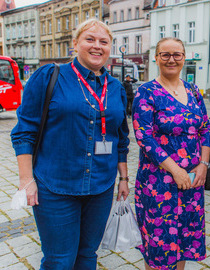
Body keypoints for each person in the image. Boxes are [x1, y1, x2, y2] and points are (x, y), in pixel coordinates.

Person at [10, 19, 130, 269]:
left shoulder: (116, 87)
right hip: (55, 186)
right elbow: (24, 131)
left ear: (110, 48)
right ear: (75, 44)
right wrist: (26, 181)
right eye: (90, 39)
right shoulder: (49, 76)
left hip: (101, 187)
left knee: (88, 255)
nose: (97, 46)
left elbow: (121, 138)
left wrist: (124, 179)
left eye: (104, 42)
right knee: (59, 260)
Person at [132, 37, 210, 270]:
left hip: (192, 181)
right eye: (165, 55)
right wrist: (176, 170)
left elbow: (205, 128)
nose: (171, 60)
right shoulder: (146, 92)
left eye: (177, 55)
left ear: (184, 58)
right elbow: (144, 138)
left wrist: (203, 164)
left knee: (184, 241)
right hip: (158, 182)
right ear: (156, 58)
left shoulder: (193, 90)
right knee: (159, 245)